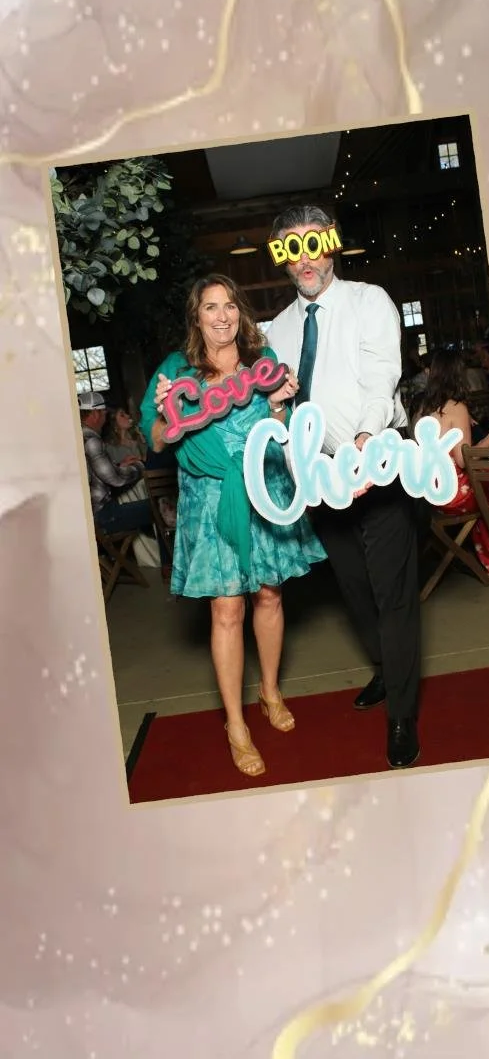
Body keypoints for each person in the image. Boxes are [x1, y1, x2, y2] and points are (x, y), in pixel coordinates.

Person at [139, 274, 325, 777]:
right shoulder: (176, 371)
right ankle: (235, 724)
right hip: (209, 500)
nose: (222, 316)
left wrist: (282, 404)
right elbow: (156, 440)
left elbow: (281, 435)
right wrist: (163, 414)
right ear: (196, 316)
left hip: (263, 491)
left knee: (269, 594)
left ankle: (269, 690)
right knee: (226, 609)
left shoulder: (261, 366)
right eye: (210, 307)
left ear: (240, 313)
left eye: (230, 306)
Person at [261, 206, 425, 769]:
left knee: (392, 590)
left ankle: (403, 715)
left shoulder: (368, 300)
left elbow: (383, 374)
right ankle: (387, 668)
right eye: (290, 248)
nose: (304, 257)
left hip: (377, 456)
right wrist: (280, 424)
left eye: (313, 243)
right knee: (353, 588)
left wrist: (363, 438)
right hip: (322, 473)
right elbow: (280, 410)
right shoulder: (276, 330)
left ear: (331, 246)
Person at [409, 348, 489, 578]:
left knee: (484, 484)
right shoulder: (457, 408)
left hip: (429, 493)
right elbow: (464, 461)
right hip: (451, 494)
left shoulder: (421, 408)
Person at [80, 392, 151, 537]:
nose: (105, 418)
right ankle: (166, 558)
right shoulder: (91, 439)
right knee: (156, 508)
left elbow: (96, 472)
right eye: (103, 413)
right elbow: (116, 480)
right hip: (101, 515)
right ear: (95, 414)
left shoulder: (78, 436)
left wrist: (119, 465)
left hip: (88, 514)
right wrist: (140, 466)